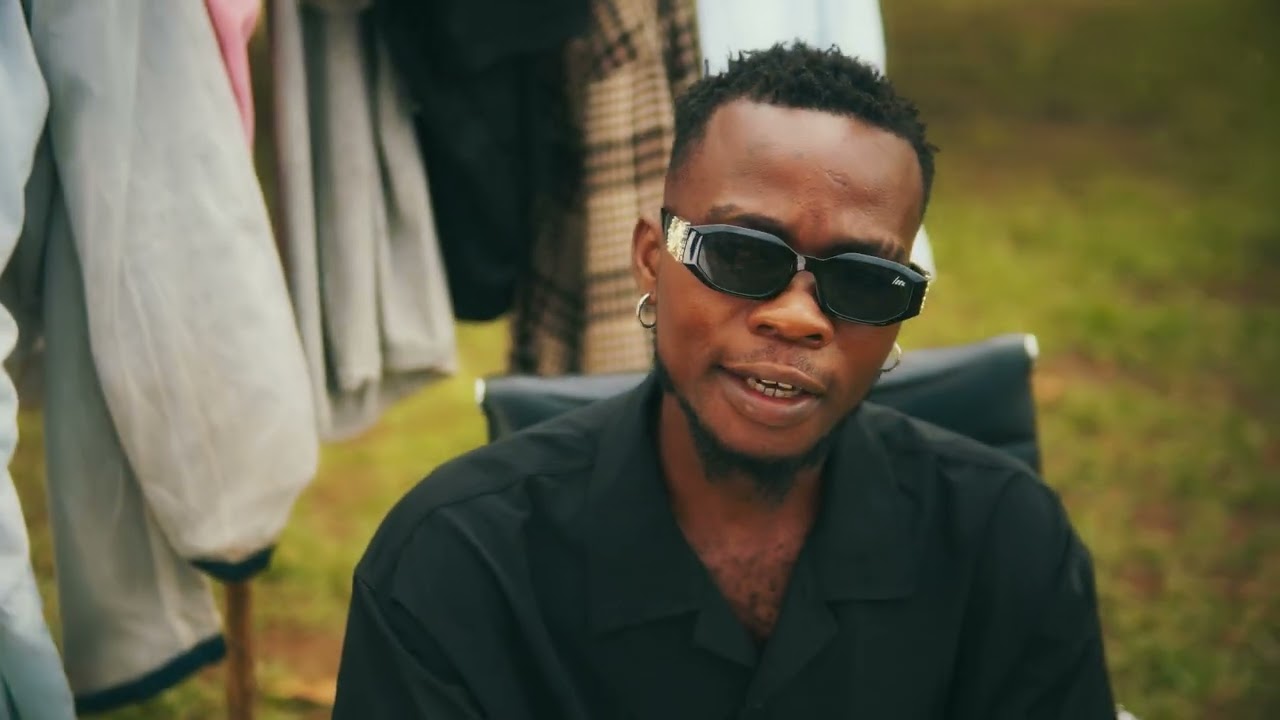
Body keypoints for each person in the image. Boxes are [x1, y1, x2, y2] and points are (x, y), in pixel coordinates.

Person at [333, 43, 1117, 719]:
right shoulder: (456, 565)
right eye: (742, 255)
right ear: (652, 259)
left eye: (864, 282)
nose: (798, 318)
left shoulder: (1006, 546)